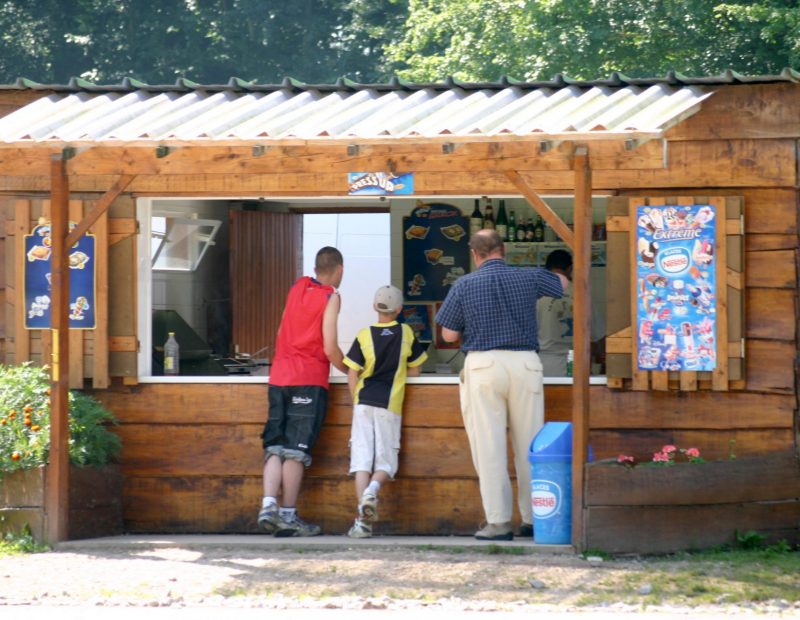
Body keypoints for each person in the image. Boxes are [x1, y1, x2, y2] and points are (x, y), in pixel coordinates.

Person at [434, 229, 567, 541]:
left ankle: (498, 522)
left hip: (484, 366)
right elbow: (562, 284)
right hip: (525, 364)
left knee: (489, 447)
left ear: (475, 254)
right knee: (529, 444)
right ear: (503, 250)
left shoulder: (464, 284)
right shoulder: (528, 277)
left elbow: (449, 336)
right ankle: (536, 517)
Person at [257, 246, 348, 537]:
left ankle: (268, 506)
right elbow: (329, 346)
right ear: (339, 270)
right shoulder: (331, 297)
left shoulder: (297, 287)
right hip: (308, 378)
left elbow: (283, 327)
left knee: (275, 445)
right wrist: (350, 370)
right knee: (296, 450)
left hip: (279, 376)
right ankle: (288, 515)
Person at [343, 285, 427, 538]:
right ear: (399, 310)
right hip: (389, 405)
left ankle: (362, 522)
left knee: (361, 462)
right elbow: (415, 370)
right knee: (386, 462)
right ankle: (372, 491)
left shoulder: (364, 334)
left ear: (374, 307)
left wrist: (356, 399)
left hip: (363, 403)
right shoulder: (407, 332)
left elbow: (351, 372)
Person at [537, 249, 605, 376]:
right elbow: (599, 335)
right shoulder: (582, 294)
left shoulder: (537, 294)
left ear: (546, 269)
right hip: (575, 364)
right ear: (570, 268)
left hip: (543, 364)